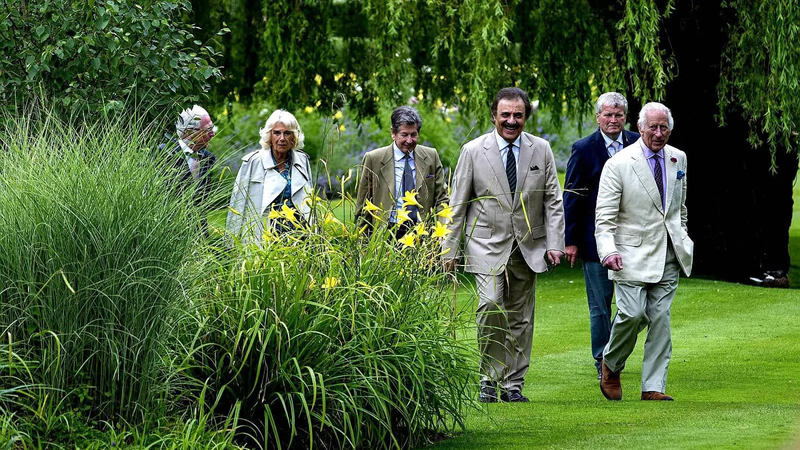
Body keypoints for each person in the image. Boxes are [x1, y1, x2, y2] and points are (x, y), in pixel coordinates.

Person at [442, 87, 565, 403]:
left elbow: (553, 200)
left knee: (520, 315)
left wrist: (555, 243)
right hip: (485, 243)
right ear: (493, 116)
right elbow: (458, 204)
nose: (511, 121)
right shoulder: (473, 151)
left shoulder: (541, 150)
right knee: (490, 304)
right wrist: (449, 249)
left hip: (528, 244)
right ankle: (489, 377)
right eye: (505, 115)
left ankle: (513, 384)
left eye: (518, 115)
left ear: (526, 117)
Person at [595, 102, 694, 401]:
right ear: (639, 128)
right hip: (629, 254)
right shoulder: (619, 163)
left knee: (660, 319)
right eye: (653, 127)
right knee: (633, 314)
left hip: (669, 254)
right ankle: (611, 364)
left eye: (664, 127)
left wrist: (682, 235)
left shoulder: (678, 158)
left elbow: (679, 207)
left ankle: (653, 386)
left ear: (670, 129)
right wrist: (608, 251)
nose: (658, 133)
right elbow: (604, 217)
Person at [564, 92, 640, 379]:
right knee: (599, 306)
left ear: (626, 117)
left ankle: (616, 353)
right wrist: (571, 241)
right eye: (608, 114)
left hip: (633, 238)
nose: (613, 120)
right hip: (594, 239)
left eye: (618, 115)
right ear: (598, 117)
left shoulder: (639, 143)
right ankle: (603, 361)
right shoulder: (584, 149)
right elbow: (572, 197)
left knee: (635, 306)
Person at [354, 106, 449, 237]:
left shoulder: (431, 156)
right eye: (404, 135)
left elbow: (442, 199)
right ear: (393, 133)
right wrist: (361, 241)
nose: (409, 141)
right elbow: (363, 205)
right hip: (386, 233)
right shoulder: (374, 159)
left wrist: (441, 233)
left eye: (413, 135)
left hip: (422, 232)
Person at [227, 109, 313, 242]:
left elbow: (309, 199)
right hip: (265, 234)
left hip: (299, 234)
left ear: (294, 137)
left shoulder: (302, 160)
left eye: (287, 133)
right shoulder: (253, 162)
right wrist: (231, 241)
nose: (282, 138)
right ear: (269, 135)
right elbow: (238, 203)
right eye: (277, 133)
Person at [172, 105, 218, 207]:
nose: (212, 134)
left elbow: (202, 201)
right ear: (189, 132)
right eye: (208, 130)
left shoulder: (208, 158)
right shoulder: (166, 154)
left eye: (212, 128)